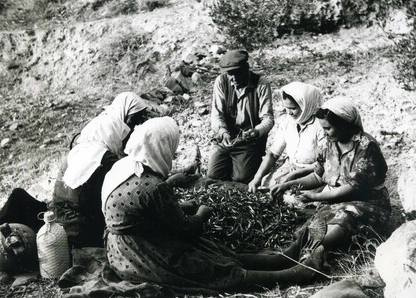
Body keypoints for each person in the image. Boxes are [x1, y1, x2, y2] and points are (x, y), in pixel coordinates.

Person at [101, 117, 326, 294]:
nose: (173, 153)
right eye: (171, 147)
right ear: (159, 147)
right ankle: (296, 274)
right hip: (141, 255)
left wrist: (183, 203)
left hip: (121, 247)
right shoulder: (153, 187)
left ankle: (282, 258)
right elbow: (187, 230)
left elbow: (142, 210)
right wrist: (202, 213)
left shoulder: (124, 166)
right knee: (213, 269)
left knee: (211, 250)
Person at [270, 96, 391, 253]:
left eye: (328, 128)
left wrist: (315, 197)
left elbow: (353, 188)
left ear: (344, 126)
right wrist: (288, 184)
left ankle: (308, 252)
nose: (325, 133)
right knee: (310, 226)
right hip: (336, 202)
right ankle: (297, 252)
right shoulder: (328, 144)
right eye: (323, 129)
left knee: (342, 220)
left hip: (367, 203)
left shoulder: (366, 146)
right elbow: (318, 176)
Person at [52, 92, 152, 248]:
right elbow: (135, 184)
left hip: (59, 221)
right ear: (115, 132)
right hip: (82, 230)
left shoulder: (81, 148)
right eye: (132, 121)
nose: (133, 128)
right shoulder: (104, 157)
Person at [207, 49, 274, 184]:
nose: (234, 78)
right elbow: (217, 114)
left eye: (237, 73)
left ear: (246, 68)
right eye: (230, 74)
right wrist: (222, 132)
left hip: (249, 141)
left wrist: (256, 131)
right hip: (226, 138)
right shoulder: (221, 81)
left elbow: (268, 119)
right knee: (213, 176)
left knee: (241, 179)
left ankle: (248, 164)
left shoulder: (261, 83)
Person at [248, 82, 325, 193]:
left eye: (293, 108)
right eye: (287, 108)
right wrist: (257, 178)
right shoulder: (288, 121)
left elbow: (323, 162)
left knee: (297, 197)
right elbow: (273, 153)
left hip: (312, 173)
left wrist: (294, 175)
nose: (289, 112)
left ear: (306, 106)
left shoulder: (320, 126)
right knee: (265, 185)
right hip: (291, 167)